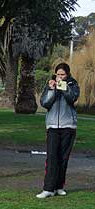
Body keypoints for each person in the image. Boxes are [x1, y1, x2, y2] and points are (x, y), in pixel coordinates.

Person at [36, 62, 80, 199]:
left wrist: (62, 87)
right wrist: (51, 90)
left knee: (63, 158)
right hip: (53, 127)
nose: (59, 77)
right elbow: (45, 103)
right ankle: (48, 188)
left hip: (68, 126)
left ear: (68, 75)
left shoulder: (73, 85)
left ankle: (59, 186)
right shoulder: (50, 85)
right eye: (58, 74)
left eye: (62, 74)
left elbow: (72, 98)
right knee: (52, 157)